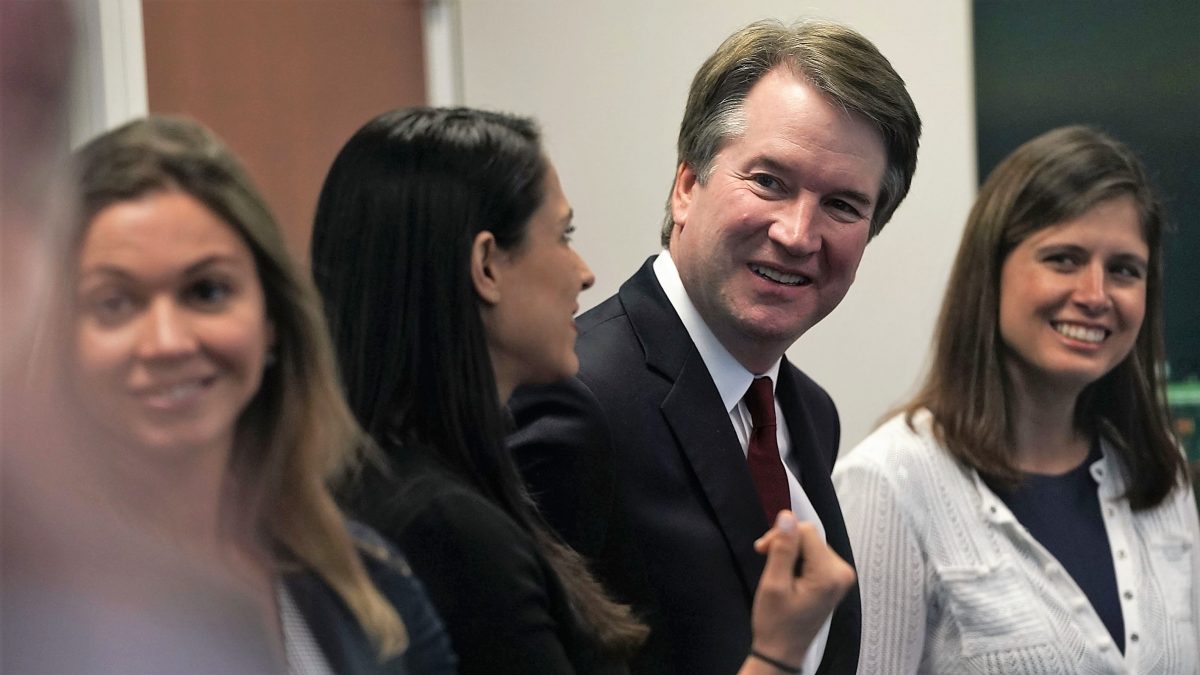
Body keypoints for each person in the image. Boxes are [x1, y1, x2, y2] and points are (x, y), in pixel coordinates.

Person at [311, 106, 856, 675]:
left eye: (843, 205)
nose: (584, 270)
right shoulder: (449, 522)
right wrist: (777, 653)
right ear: (486, 267)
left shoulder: (808, 410)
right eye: (562, 235)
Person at [507, 18, 922, 675]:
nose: (797, 232)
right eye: (770, 181)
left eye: (842, 205)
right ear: (687, 186)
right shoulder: (575, 398)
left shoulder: (809, 413)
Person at [38, 116, 456, 674]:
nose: (166, 342)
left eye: (206, 291)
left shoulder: (367, 578)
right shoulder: (23, 608)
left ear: (272, 322)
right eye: (114, 303)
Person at [833, 126, 1200, 674]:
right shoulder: (889, 482)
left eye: (1124, 269)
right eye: (1063, 259)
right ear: (991, 272)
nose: (1096, 295)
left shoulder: (1158, 473)